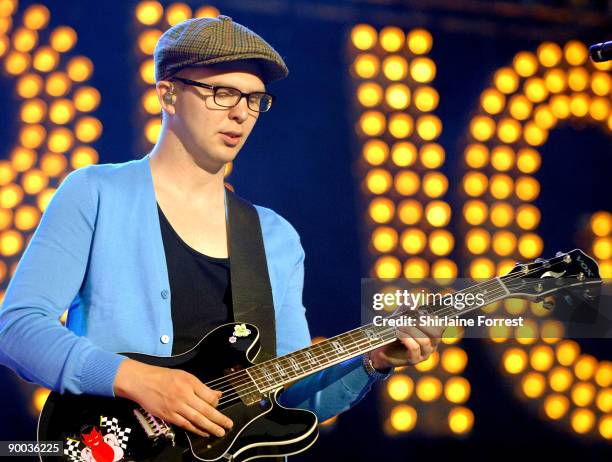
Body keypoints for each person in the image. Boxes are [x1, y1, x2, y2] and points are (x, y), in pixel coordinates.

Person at [0, 15, 441, 443]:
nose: (241, 114)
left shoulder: (275, 237)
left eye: (254, 99)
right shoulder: (96, 193)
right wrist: (133, 379)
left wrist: (372, 361)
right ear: (168, 95)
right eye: (222, 93)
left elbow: (290, 398)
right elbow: (17, 328)